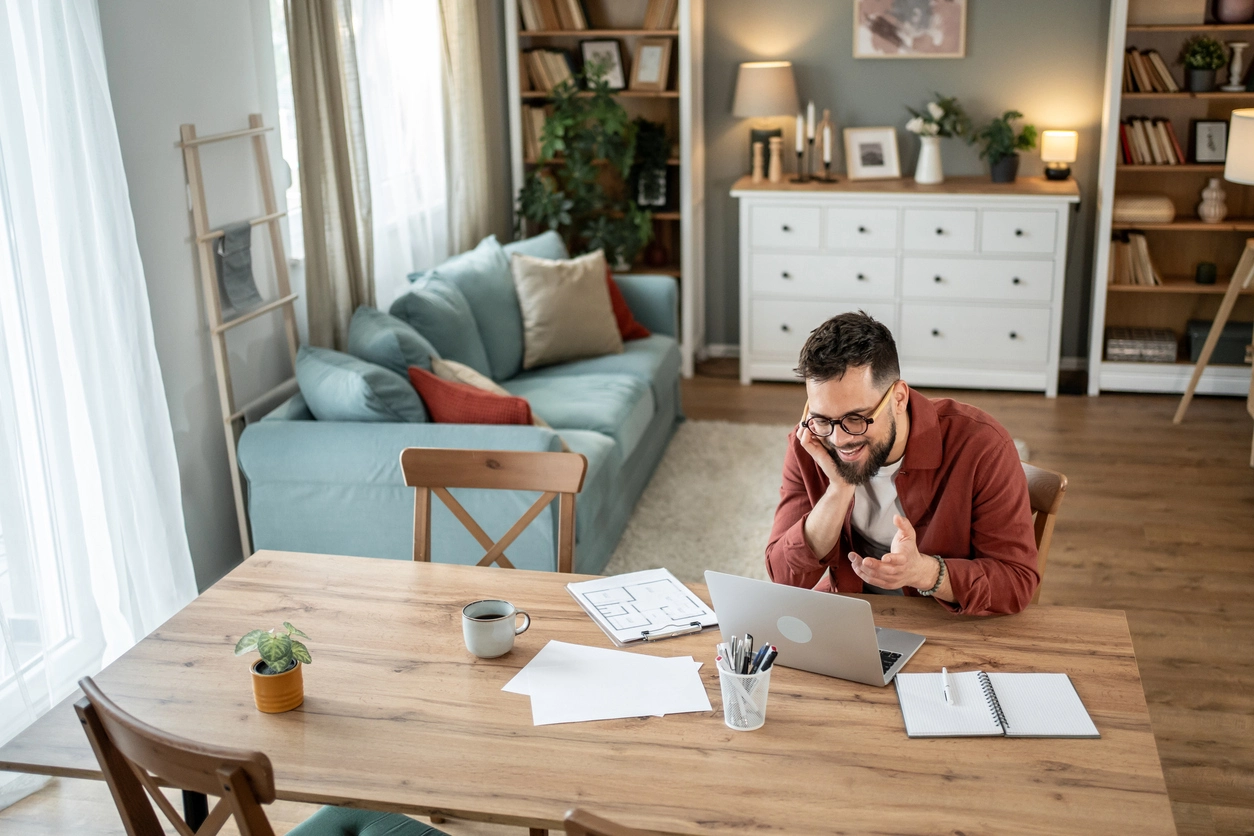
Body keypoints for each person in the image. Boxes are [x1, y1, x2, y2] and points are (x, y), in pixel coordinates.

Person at [765, 312, 1039, 616]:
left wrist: (925, 573)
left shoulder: (981, 446)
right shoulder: (810, 443)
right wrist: (838, 491)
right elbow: (783, 577)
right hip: (851, 615)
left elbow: (1016, 581)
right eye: (822, 418)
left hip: (943, 621)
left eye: (855, 419)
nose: (839, 439)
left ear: (898, 398)